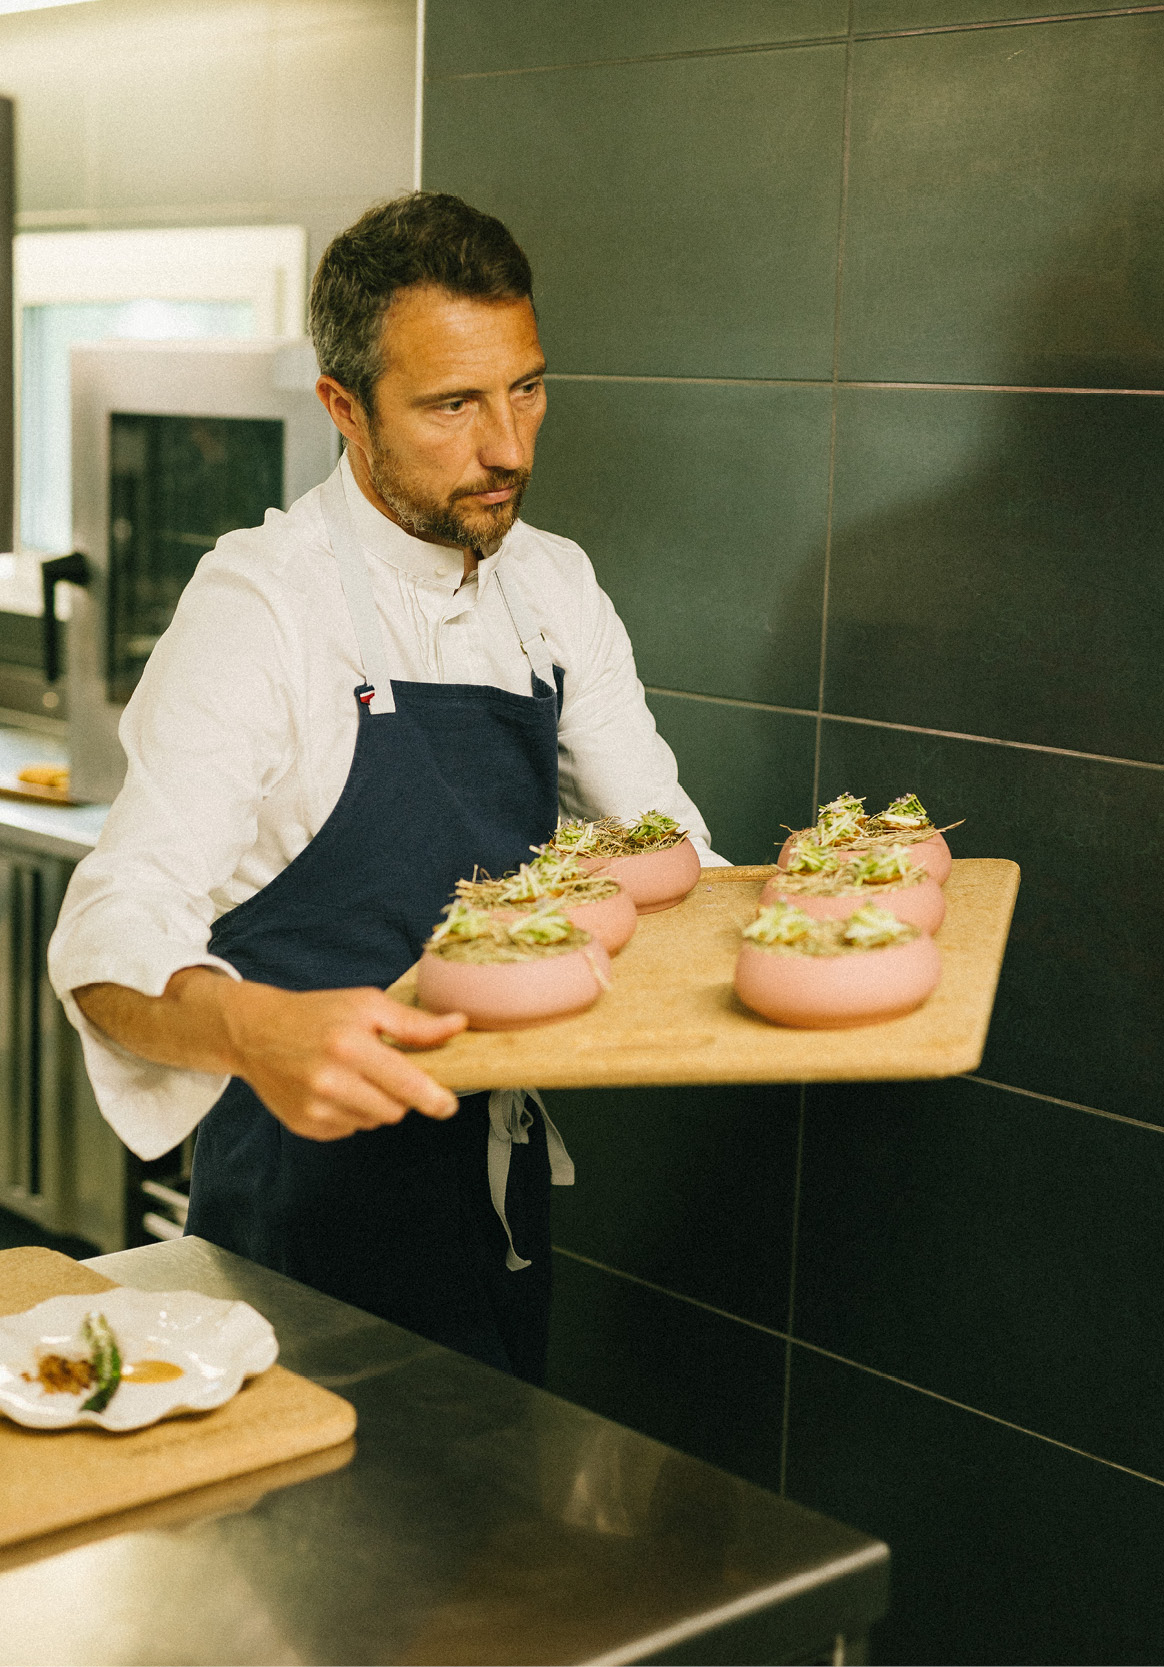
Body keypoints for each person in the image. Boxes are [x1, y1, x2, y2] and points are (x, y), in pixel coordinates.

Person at [48, 192, 722, 1384]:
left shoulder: (552, 586)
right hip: (301, 1220)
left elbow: (660, 843)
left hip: (495, 1192)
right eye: (452, 405)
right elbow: (108, 936)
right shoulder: (262, 606)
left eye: (524, 387)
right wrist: (256, 1026)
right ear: (344, 410)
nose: (507, 445)